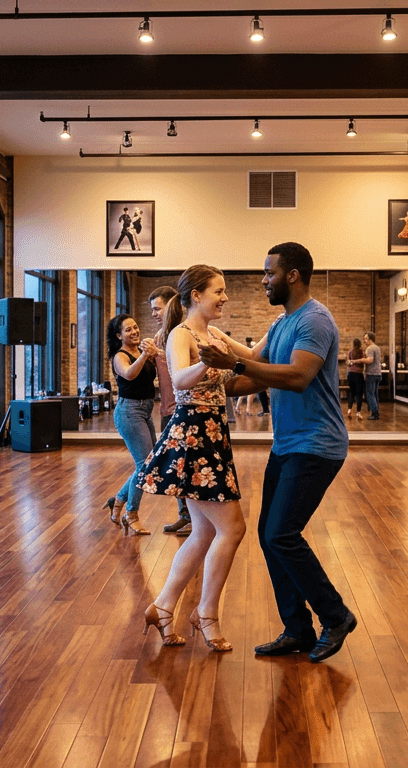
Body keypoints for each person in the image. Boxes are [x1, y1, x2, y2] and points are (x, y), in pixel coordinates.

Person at [199, 242, 357, 664]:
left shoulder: (315, 320)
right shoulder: (282, 323)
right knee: (271, 539)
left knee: (281, 534)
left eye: (268, 273)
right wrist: (211, 383)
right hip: (288, 444)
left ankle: (336, 616)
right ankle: (298, 628)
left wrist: (233, 365)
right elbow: (255, 375)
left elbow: (298, 376)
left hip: (318, 444)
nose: (263, 280)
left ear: (292, 275)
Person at [137, 265, 251, 652]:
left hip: (213, 435)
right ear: (196, 295)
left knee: (204, 531)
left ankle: (163, 607)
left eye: (224, 291)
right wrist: (210, 362)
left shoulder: (214, 333)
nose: (224, 297)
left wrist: (283, 326)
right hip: (194, 438)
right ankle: (206, 613)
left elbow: (252, 355)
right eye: (218, 291)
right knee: (232, 529)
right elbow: (180, 378)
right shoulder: (180, 335)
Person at [102, 313, 158, 535]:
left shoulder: (141, 352)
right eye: (128, 330)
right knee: (144, 465)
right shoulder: (120, 356)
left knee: (149, 464)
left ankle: (118, 500)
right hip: (129, 411)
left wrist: (154, 354)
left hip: (145, 410)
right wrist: (145, 355)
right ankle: (130, 514)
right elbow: (129, 374)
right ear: (119, 335)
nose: (134, 332)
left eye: (136, 327)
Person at [149, 285, 192, 536]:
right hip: (166, 408)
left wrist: (160, 353)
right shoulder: (159, 337)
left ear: (170, 306)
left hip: (182, 407)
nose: (155, 313)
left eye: (157, 308)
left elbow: (183, 367)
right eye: (152, 310)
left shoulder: (181, 333)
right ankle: (184, 515)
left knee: (187, 467)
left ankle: (194, 518)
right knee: (175, 467)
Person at [363, 332, 382, 420]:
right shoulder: (377, 348)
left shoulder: (370, 348)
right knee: (375, 394)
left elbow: (370, 360)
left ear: (370, 339)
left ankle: (374, 413)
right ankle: (376, 411)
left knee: (370, 394)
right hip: (378, 373)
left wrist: (361, 360)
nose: (365, 341)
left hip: (371, 374)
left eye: (366, 339)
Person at [344, 338, 365, 418]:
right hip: (358, 374)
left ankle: (349, 410)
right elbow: (363, 362)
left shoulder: (350, 352)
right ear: (360, 344)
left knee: (352, 392)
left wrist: (351, 363)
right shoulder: (362, 352)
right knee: (359, 394)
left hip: (350, 374)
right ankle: (358, 412)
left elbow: (348, 363)